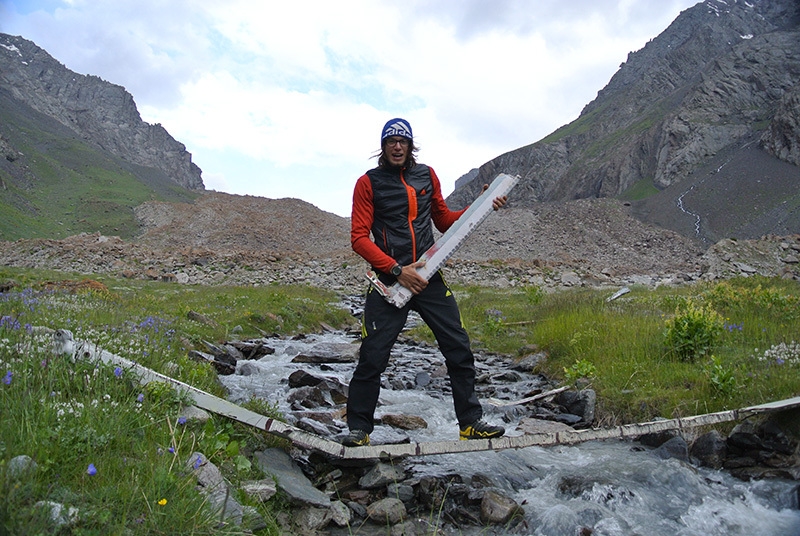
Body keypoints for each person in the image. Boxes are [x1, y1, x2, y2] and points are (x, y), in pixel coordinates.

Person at [344, 117, 507, 447]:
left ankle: (470, 423)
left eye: (403, 141)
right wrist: (395, 270)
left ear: (411, 145)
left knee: (458, 346)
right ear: (384, 146)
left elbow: (445, 220)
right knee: (373, 355)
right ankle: (359, 430)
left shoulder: (427, 175)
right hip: (389, 281)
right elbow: (359, 238)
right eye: (391, 141)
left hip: (429, 275)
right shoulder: (367, 183)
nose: (398, 146)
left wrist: (481, 204)